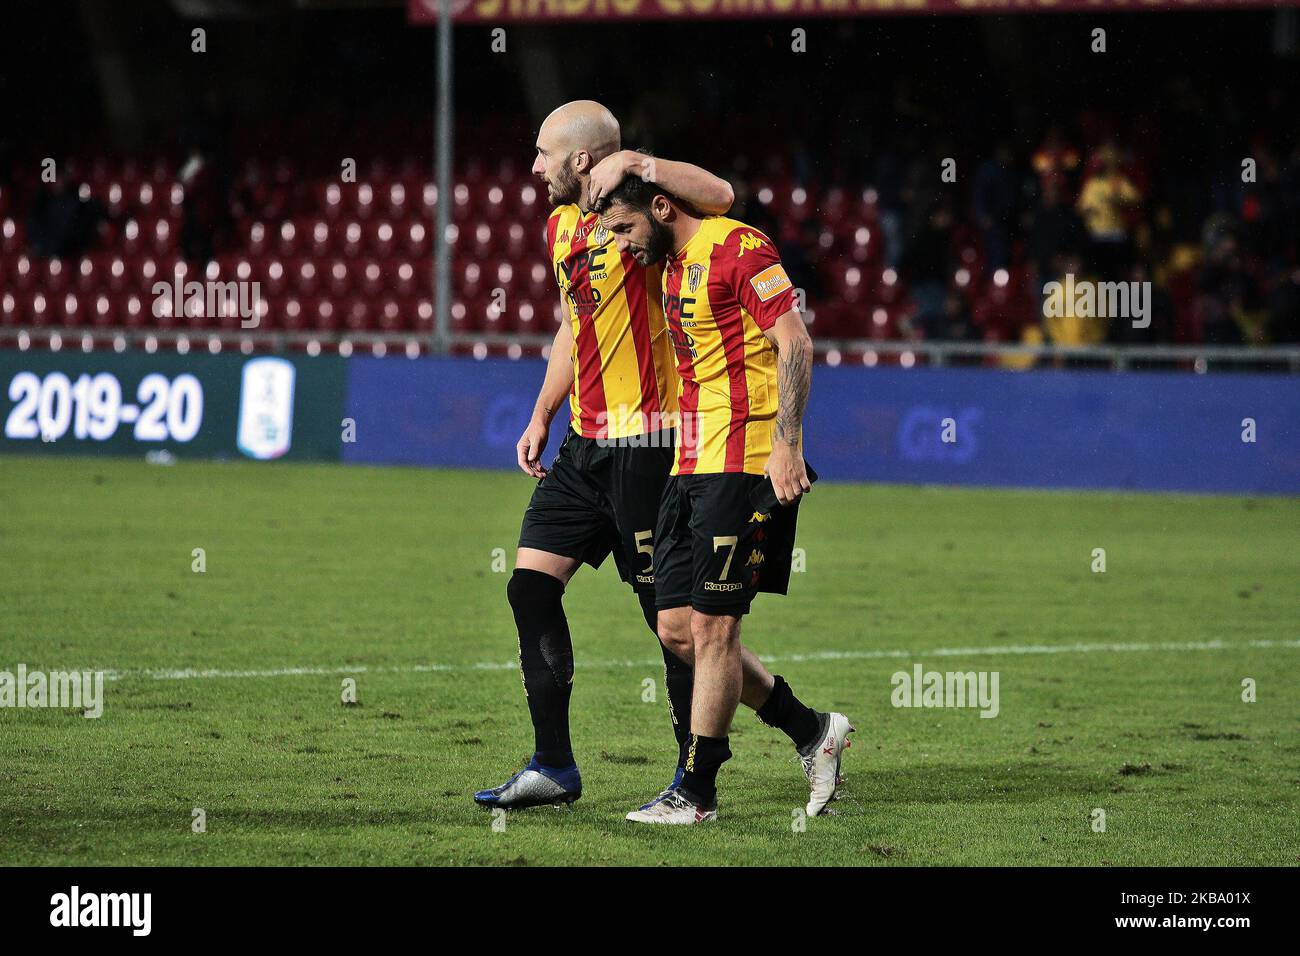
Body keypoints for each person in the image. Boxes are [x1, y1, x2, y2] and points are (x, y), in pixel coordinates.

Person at [475, 102, 843, 818]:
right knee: (531, 588)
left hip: (653, 444)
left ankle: (697, 776)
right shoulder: (561, 229)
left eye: (544, 153)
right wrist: (542, 412)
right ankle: (554, 765)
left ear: (583, 162)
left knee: (678, 626)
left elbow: (721, 199)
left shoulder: (645, 223)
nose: (533, 166)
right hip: (584, 445)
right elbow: (571, 325)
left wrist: (640, 164)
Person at [594, 173, 853, 824]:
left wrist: (787, 444)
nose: (622, 246)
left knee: (715, 627)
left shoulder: (740, 247)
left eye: (625, 229)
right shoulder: (674, 263)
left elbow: (795, 340)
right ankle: (810, 730)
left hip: (743, 463)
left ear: (659, 207)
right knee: (678, 629)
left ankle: (697, 790)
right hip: (689, 465)